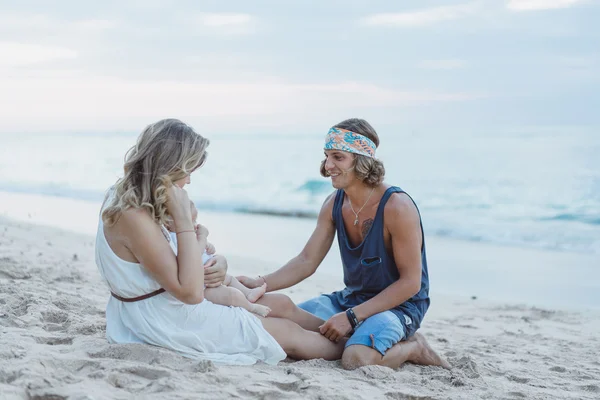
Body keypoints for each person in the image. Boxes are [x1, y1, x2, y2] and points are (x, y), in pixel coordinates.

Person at [95, 118, 345, 365]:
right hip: (163, 317)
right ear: (168, 166)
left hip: (174, 300)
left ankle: (350, 334)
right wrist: (183, 220)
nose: (189, 181)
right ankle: (352, 349)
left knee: (282, 303)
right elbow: (190, 293)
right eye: (187, 171)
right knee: (288, 333)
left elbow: (177, 259)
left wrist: (219, 264)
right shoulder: (132, 215)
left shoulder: (140, 197)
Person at [238, 118, 450, 370]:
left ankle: (414, 347)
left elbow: (410, 284)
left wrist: (351, 317)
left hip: (398, 307)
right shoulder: (334, 203)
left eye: (338, 157)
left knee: (356, 359)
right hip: (351, 299)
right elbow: (306, 261)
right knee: (272, 310)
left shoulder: (397, 206)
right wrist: (261, 282)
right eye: (327, 156)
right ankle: (357, 335)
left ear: (362, 160)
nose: (328, 166)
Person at [165, 201, 271, 317]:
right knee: (231, 295)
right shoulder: (174, 238)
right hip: (202, 286)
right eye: (190, 221)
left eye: (195, 220)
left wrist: (208, 246)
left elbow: (205, 249)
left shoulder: (189, 234)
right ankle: (252, 308)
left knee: (230, 279)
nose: (195, 225)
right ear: (168, 223)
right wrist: (202, 237)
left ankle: (249, 292)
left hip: (210, 275)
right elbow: (193, 255)